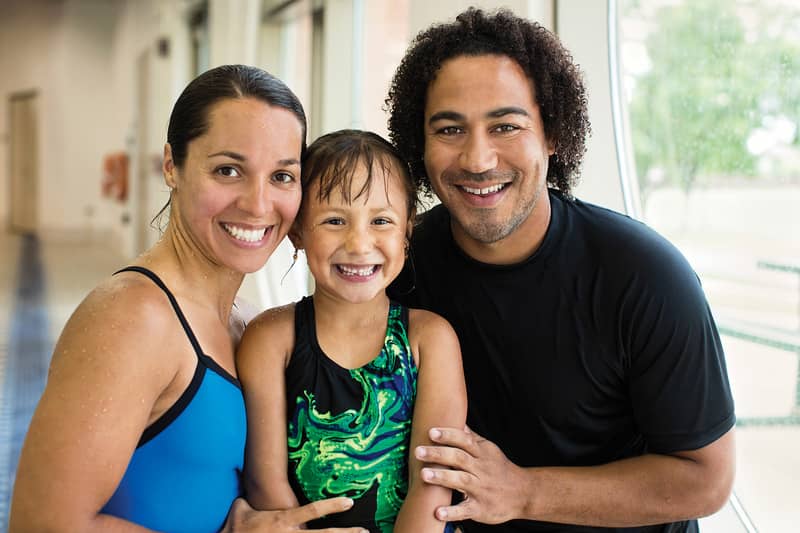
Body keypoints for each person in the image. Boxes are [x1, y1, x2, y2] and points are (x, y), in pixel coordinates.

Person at [384, 8, 736, 533]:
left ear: (552, 134)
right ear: (421, 144)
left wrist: (523, 492)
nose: (478, 159)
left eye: (506, 126)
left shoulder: (645, 275)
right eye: (450, 128)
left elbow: (705, 480)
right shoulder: (395, 264)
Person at [10, 65, 364, 533]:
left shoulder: (247, 323)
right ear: (172, 166)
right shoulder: (134, 317)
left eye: (282, 176)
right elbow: (42, 524)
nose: (258, 204)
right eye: (228, 170)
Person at [236, 129, 467, 532]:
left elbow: (432, 485)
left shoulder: (429, 340)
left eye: (381, 220)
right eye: (334, 220)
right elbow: (266, 484)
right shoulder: (271, 340)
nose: (359, 244)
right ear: (298, 231)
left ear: (407, 230)